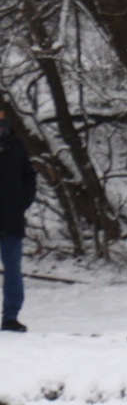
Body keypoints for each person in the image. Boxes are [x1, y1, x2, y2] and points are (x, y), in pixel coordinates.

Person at [0, 101, 36, 334]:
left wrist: (21, 204)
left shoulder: (17, 146)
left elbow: (29, 177)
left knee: (13, 270)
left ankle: (10, 317)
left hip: (11, 221)